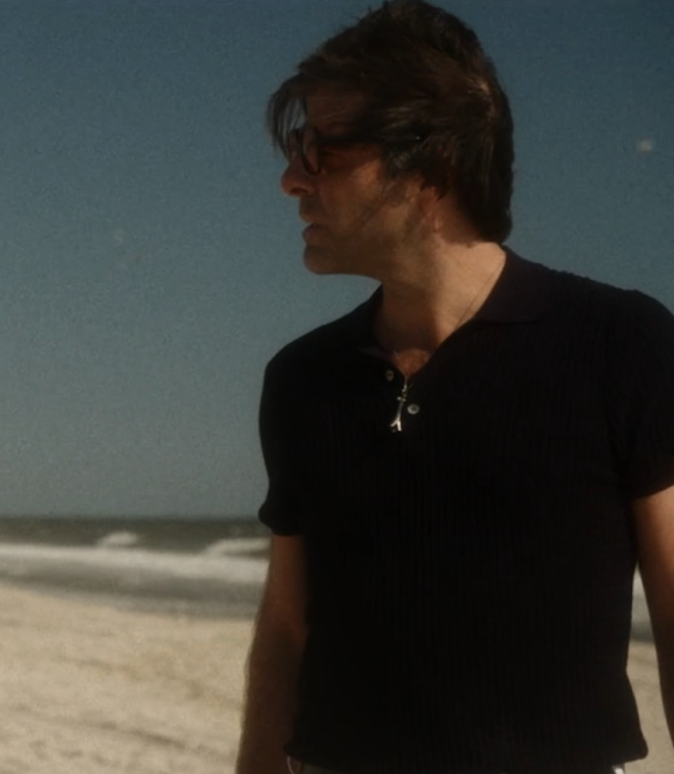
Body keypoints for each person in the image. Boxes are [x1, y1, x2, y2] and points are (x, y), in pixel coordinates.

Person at [235, 2, 674, 773]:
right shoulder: (305, 379)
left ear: (432, 163)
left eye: (323, 151)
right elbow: (286, 625)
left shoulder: (616, 342)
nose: (290, 181)